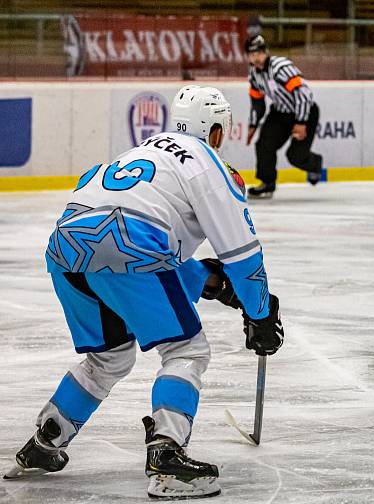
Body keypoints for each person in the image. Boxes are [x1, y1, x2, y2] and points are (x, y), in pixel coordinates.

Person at [3, 85, 285, 499]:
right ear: (218, 131)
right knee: (186, 351)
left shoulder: (142, 151)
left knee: (109, 358)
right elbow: (243, 258)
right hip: (130, 248)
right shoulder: (209, 165)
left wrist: (207, 283)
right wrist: (260, 315)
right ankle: (166, 456)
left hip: (66, 248)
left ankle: (46, 442)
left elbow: (131, 226)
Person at [244, 34, 324, 199]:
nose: (256, 58)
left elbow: (304, 93)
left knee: (295, 156)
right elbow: (257, 103)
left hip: (305, 112)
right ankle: (267, 183)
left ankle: (315, 164)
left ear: (265, 52)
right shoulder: (254, 75)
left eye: (258, 53)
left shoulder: (280, 67)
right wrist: (253, 125)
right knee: (264, 145)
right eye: (252, 54)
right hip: (280, 113)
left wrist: (301, 122)